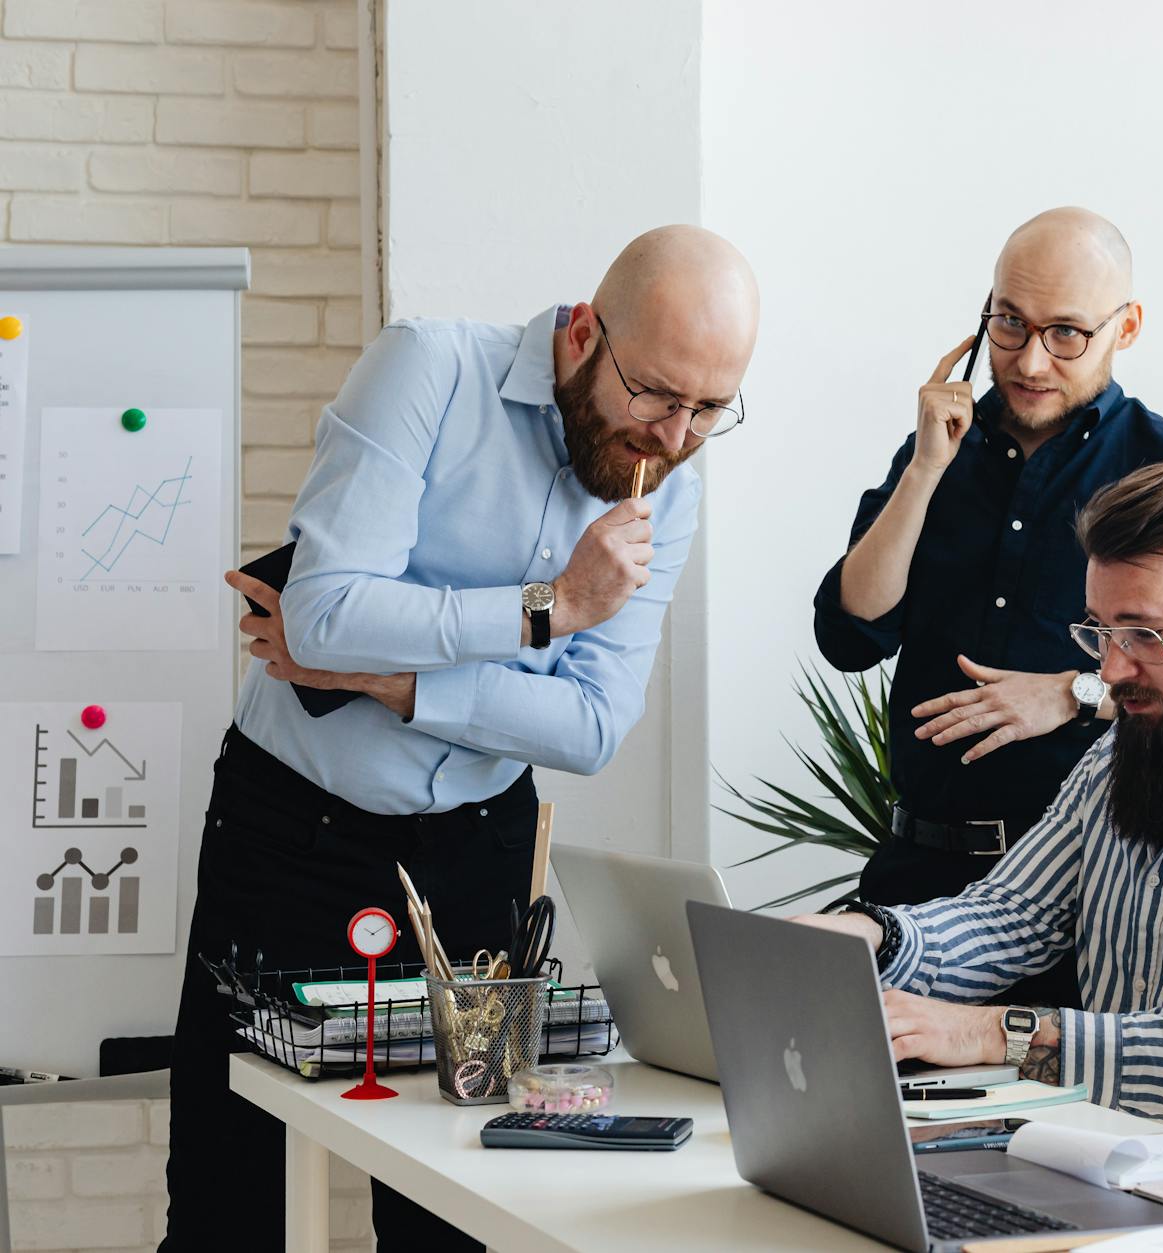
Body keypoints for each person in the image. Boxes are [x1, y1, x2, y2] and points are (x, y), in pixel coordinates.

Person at [161, 226, 760, 1252]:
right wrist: (548, 607)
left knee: (455, 1210)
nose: (671, 436)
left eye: (710, 409)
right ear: (583, 334)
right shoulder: (431, 366)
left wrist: (392, 682)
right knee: (230, 1200)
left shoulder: (674, 481)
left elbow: (590, 724)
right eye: (655, 394)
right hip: (288, 831)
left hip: (480, 847)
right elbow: (324, 612)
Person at [798, 464, 1163, 1130]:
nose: (1109, 671)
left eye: (1143, 634)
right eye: (1101, 632)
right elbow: (1010, 914)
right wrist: (866, 937)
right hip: (1093, 1151)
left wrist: (1000, 1035)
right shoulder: (1118, 751)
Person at [814, 207, 1163, 1007]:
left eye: (1066, 333)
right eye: (1009, 324)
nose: (1031, 359)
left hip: (1086, 897)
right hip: (915, 874)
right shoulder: (942, 444)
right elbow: (849, 633)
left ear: (1127, 327)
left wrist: (1069, 693)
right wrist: (927, 467)